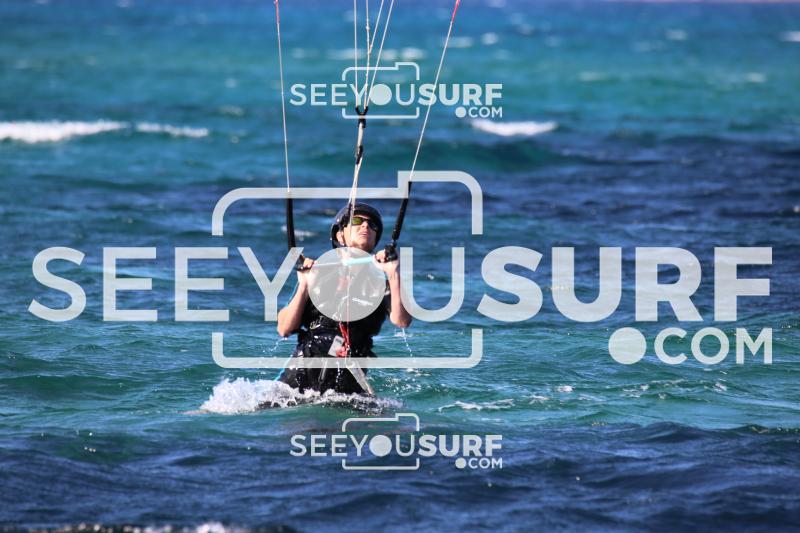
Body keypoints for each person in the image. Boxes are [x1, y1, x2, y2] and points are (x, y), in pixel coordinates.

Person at [275, 202, 412, 395]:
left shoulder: (383, 283)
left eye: (372, 225)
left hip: (347, 389)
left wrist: (393, 273)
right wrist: (304, 284)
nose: (366, 225)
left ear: (375, 240)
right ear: (340, 235)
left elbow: (402, 320)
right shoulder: (316, 275)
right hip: (296, 385)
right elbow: (284, 328)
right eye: (357, 221)